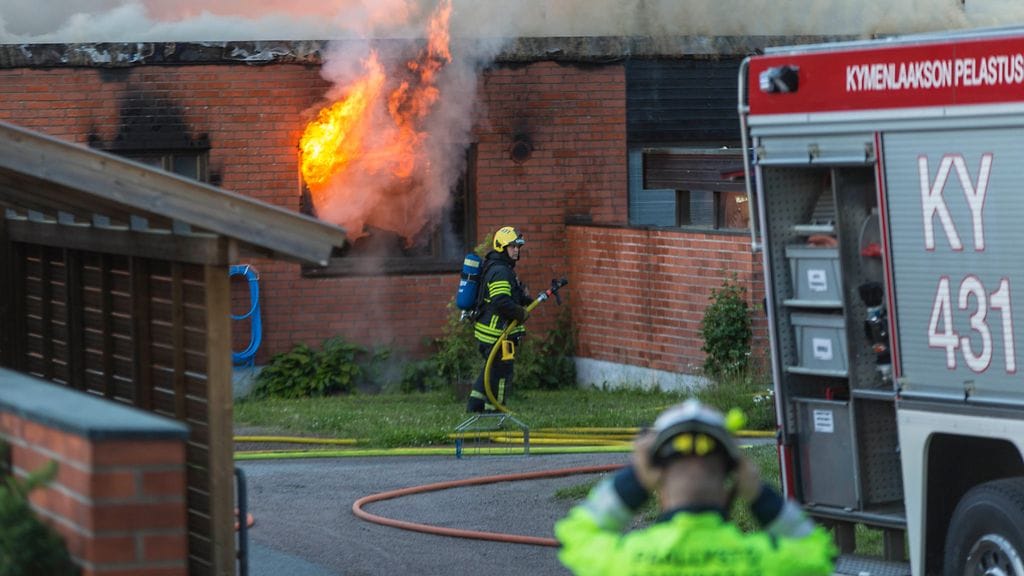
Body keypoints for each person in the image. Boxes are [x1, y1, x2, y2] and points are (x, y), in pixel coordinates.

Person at [555, 399, 837, 576]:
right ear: (733, 482)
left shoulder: (624, 563)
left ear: (658, 482)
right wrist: (759, 495)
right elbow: (818, 550)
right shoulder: (765, 562)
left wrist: (635, 481)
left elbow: (577, 533)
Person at [466, 226, 531, 413]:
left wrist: (524, 299)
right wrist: (520, 313)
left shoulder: (498, 267)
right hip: (498, 335)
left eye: (518, 246)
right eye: (512, 247)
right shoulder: (501, 271)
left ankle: (474, 408)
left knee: (490, 372)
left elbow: (506, 295)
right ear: (502, 247)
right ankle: (495, 413)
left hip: (491, 333)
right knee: (501, 375)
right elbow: (501, 301)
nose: (516, 250)